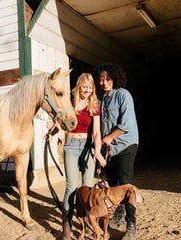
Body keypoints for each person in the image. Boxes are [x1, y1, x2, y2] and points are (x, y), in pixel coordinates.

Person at [48, 73, 106, 240]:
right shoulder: (71, 103)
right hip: (71, 147)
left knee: (87, 188)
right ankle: (66, 224)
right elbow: (62, 122)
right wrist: (51, 133)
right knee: (71, 187)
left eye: (90, 87)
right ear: (79, 86)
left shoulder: (94, 105)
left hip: (87, 147)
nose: (87, 90)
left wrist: (98, 150)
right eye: (84, 86)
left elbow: (96, 132)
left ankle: (87, 222)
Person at [93, 63, 139, 240]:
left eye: (108, 79)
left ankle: (131, 225)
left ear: (115, 79)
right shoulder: (101, 100)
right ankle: (117, 214)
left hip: (126, 144)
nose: (104, 82)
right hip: (110, 148)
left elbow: (126, 124)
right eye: (101, 79)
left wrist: (110, 137)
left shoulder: (123, 95)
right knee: (112, 186)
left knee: (126, 185)